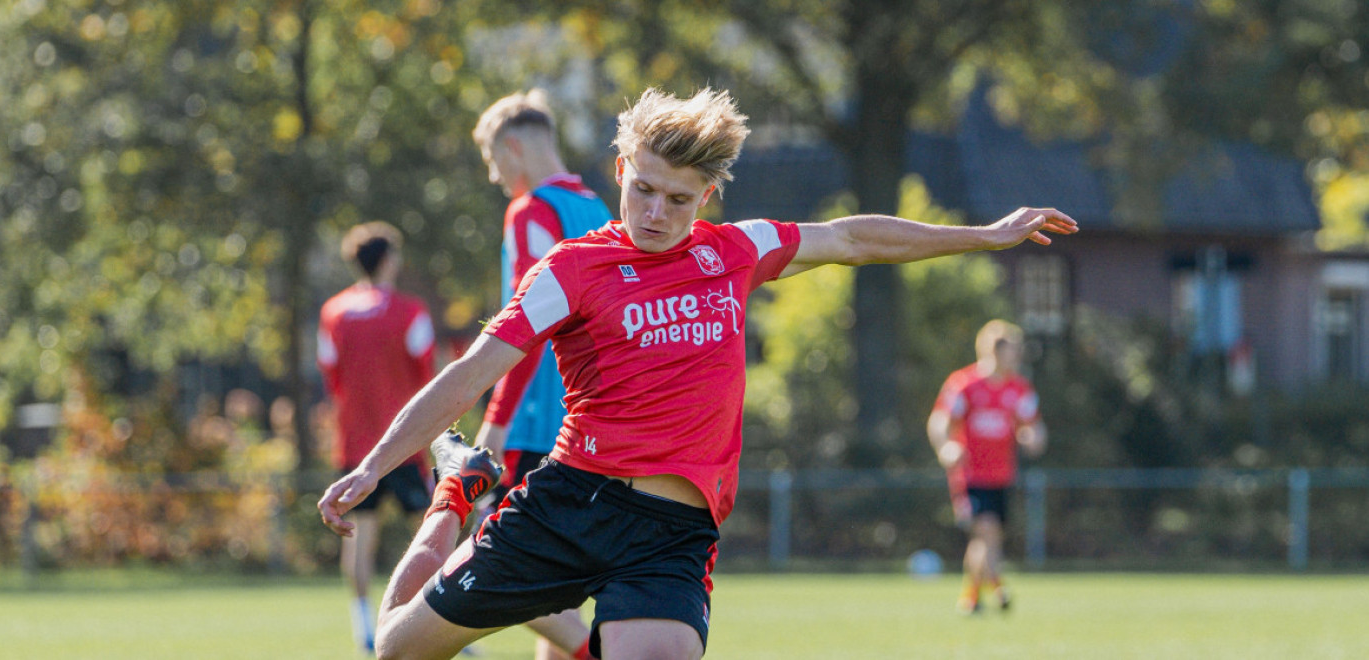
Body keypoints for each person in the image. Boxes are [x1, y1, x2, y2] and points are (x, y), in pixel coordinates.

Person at [318, 86, 1077, 659]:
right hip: (569, 502)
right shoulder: (573, 268)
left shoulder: (733, 251)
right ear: (620, 170)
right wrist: (377, 464)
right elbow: (470, 374)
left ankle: (469, 496)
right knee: (396, 650)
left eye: (678, 199)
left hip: (670, 533)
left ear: (707, 196)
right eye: (641, 188)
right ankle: (458, 491)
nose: (654, 211)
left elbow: (853, 238)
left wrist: (983, 235)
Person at [467, 88, 611, 660]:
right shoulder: (600, 208)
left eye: (492, 159)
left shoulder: (531, 211)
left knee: (509, 571)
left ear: (515, 146)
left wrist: (497, 423)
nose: (494, 175)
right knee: (559, 583)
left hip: (536, 422)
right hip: (593, 422)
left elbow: (525, 329)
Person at [317, 221, 437, 654]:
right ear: (388, 259)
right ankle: (436, 621)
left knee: (358, 536)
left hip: (354, 445)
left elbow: (330, 373)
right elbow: (428, 374)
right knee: (431, 532)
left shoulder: (333, 312)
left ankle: (363, 626)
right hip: (404, 444)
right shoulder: (409, 311)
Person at [926, 319, 1047, 615]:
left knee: (986, 538)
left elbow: (1035, 427)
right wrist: (946, 447)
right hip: (969, 475)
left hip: (1002, 475)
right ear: (994, 350)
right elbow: (939, 421)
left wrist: (1033, 437)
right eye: (1013, 350)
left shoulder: (1019, 389)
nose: (1017, 356)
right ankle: (998, 587)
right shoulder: (964, 384)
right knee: (987, 530)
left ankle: (972, 596)